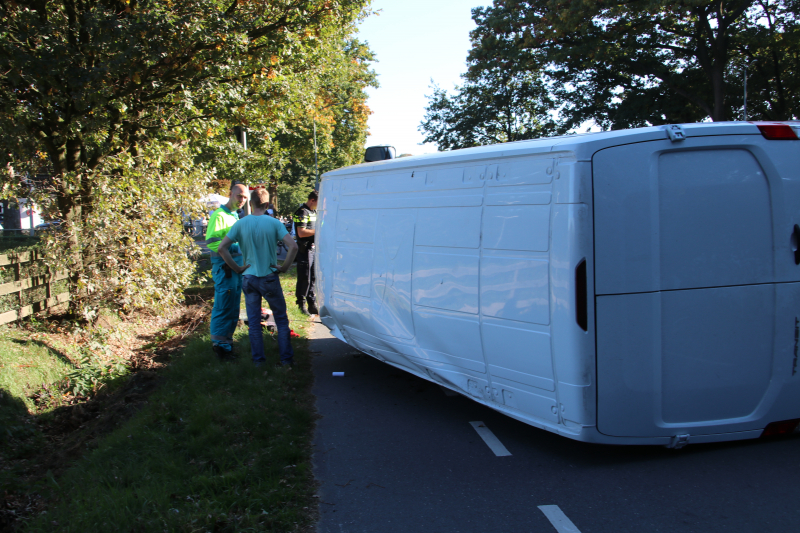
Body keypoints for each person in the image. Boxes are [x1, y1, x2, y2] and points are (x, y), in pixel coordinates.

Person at [218, 189, 299, 366]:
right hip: (269, 276)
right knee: (281, 319)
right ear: (267, 204)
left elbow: (221, 248)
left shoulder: (240, 224)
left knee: (254, 322)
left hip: (249, 277)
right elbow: (293, 247)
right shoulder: (274, 223)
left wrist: (237, 268)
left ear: (251, 203)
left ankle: (258, 361)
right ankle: (286, 359)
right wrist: (284, 267)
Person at [205, 181, 249, 360]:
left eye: (245, 197)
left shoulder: (234, 215)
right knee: (223, 306)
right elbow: (213, 243)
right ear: (230, 194)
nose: (242, 200)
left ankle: (227, 344)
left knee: (232, 306)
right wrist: (234, 249)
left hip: (234, 270)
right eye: (239, 196)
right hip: (225, 269)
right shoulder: (219, 215)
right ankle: (220, 347)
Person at [293, 190, 318, 316]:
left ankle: (311, 303)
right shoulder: (302, 212)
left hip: (313, 248)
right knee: (305, 278)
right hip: (305, 249)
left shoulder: (314, 212)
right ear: (312, 200)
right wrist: (319, 230)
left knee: (312, 277)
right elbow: (301, 232)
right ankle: (301, 304)